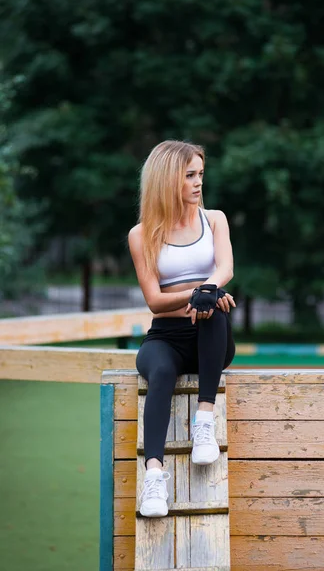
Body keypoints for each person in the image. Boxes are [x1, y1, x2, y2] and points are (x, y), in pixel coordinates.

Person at [128, 140, 236, 518]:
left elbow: (225, 270)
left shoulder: (215, 219)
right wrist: (197, 293)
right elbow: (155, 301)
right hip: (165, 337)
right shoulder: (141, 235)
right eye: (189, 175)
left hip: (211, 337)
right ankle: (154, 478)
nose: (198, 183)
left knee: (214, 312)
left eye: (200, 174)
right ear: (166, 180)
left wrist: (208, 292)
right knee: (158, 370)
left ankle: (204, 419)